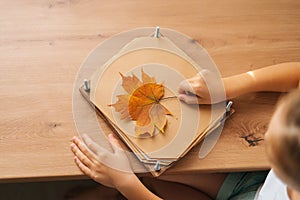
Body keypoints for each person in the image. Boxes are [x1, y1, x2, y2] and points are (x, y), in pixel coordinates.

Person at [70, 62, 300, 199]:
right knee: (149, 164)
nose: (266, 134)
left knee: (145, 182)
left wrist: (125, 184)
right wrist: (229, 86)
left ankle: (114, 193)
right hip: (257, 184)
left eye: (274, 141)